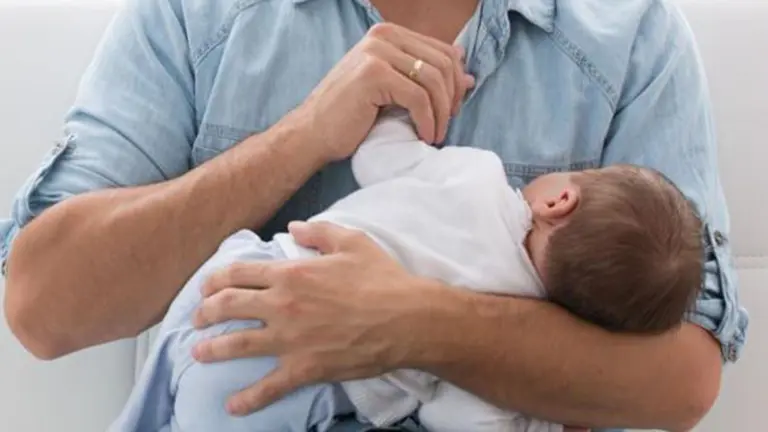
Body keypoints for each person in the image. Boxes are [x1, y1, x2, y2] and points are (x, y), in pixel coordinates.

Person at [0, 0, 748, 431]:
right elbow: (44, 306)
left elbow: (681, 381)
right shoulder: (197, 18)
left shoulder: (633, 36)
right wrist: (301, 138)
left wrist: (416, 323)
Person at [109, 108, 704, 432]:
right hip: (291, 383)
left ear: (559, 201)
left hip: (246, 274)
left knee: (156, 390)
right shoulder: (511, 333)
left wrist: (390, 111)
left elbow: (381, 156)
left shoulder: (478, 176)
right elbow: (458, 417)